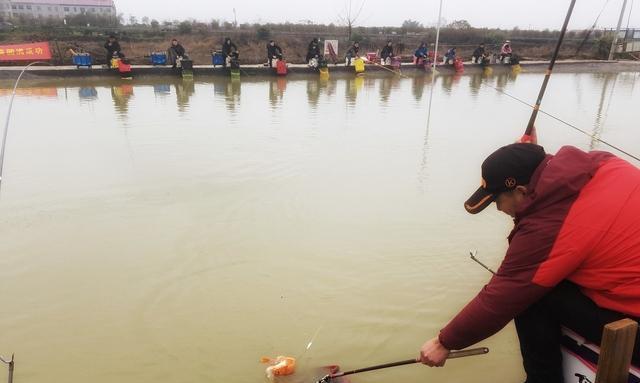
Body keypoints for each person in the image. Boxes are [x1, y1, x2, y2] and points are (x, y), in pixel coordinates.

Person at [418, 142, 640, 383]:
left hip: (634, 330)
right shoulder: (601, 163)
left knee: (531, 295)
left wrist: (444, 342)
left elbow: (505, 294)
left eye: (496, 201)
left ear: (522, 191)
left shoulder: (550, 226)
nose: (500, 210)